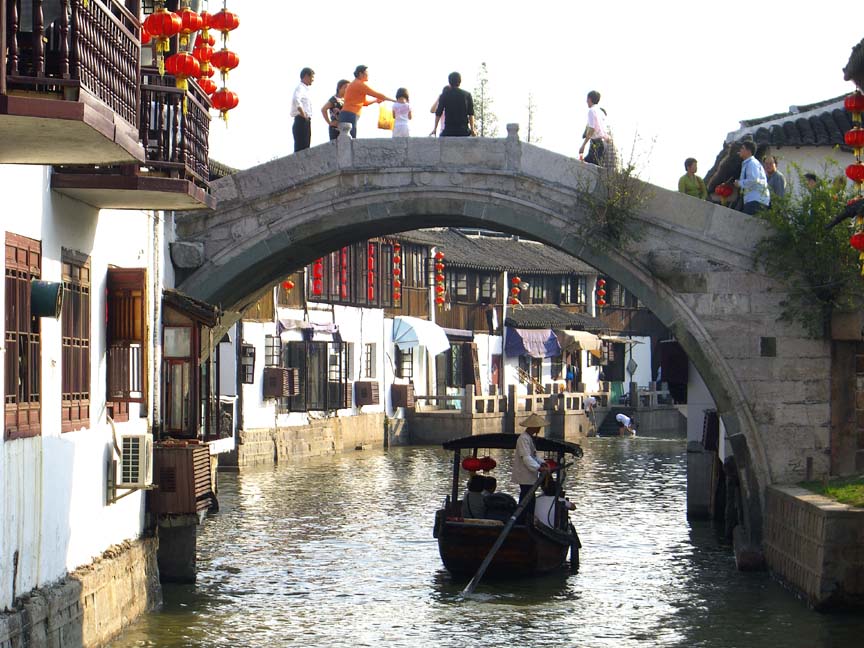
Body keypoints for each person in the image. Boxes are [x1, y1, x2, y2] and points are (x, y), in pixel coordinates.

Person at [511, 412, 550, 522]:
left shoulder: (529, 438)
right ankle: (522, 520)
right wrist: (538, 468)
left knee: (529, 497)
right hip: (525, 475)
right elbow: (526, 457)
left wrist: (542, 463)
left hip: (529, 475)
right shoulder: (523, 439)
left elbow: (534, 455)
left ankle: (527, 519)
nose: (539, 429)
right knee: (526, 497)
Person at [338, 65, 396, 138]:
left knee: (350, 138)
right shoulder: (359, 84)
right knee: (350, 138)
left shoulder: (356, 84)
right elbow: (377, 94)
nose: (368, 74)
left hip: (349, 114)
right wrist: (395, 101)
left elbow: (364, 103)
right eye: (366, 72)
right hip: (349, 114)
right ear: (360, 74)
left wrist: (375, 101)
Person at [432, 72, 475, 137]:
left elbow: (438, 113)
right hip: (463, 130)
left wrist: (435, 129)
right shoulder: (467, 95)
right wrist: (472, 129)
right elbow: (471, 114)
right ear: (460, 81)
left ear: (449, 82)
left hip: (448, 130)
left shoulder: (444, 95)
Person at [733, 140, 769, 215]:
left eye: (742, 148)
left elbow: (753, 180)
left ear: (748, 151)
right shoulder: (750, 163)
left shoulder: (752, 163)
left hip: (755, 201)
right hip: (755, 200)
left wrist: (740, 183)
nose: (740, 150)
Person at [578, 90, 612, 168]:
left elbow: (592, 129)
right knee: (591, 166)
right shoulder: (601, 112)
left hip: (596, 143)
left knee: (589, 168)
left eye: (587, 99)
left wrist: (583, 145)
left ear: (589, 99)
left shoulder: (591, 111)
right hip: (603, 143)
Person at [290, 67, 314, 152]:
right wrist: (303, 114)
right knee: (301, 147)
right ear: (306, 76)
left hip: (305, 120)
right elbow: (296, 99)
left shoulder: (306, 90)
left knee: (306, 146)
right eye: (312, 77)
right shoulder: (300, 88)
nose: (313, 80)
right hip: (301, 120)